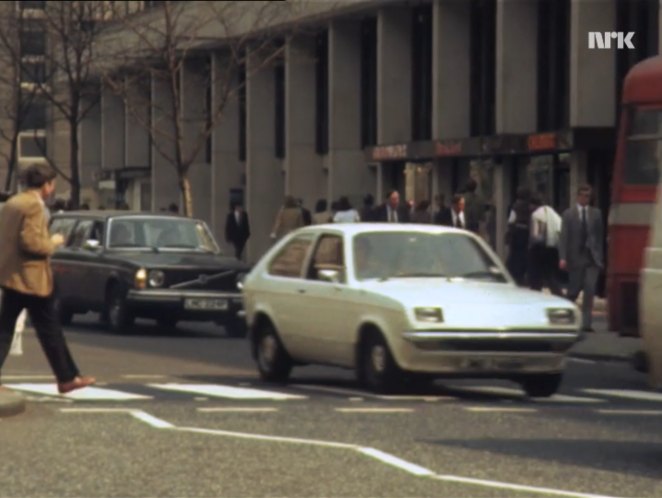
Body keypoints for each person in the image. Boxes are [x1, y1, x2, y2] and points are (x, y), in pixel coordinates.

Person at [0, 163, 95, 394]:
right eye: (51, 184)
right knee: (50, 329)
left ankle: (68, 377)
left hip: (11, 274)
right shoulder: (34, 206)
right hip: (31, 278)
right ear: (46, 185)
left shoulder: (13, 202)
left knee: (6, 329)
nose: (52, 189)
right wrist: (54, 242)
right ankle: (67, 378)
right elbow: (31, 243)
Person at [559, 184, 604, 332]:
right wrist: (563, 257)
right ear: (578, 197)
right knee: (574, 290)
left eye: (588, 196)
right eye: (583, 196)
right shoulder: (568, 214)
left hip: (592, 258)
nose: (586, 199)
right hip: (575, 258)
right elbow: (564, 237)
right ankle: (564, 317)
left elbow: (599, 236)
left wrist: (600, 257)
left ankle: (586, 324)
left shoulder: (596, 214)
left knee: (590, 289)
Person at [528, 193, 563, 296]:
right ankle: (559, 296)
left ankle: (535, 296)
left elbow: (536, 235)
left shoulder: (536, 215)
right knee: (551, 276)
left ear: (533, 205)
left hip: (539, 250)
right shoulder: (552, 213)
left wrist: (531, 245)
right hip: (552, 249)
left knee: (535, 277)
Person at [505, 187, 532, 286]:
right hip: (526, 234)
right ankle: (522, 276)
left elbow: (511, 221)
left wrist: (508, 234)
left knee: (514, 256)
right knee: (524, 256)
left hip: (517, 234)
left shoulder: (515, 206)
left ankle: (514, 276)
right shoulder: (529, 206)